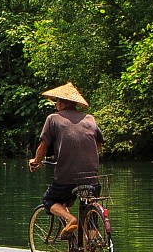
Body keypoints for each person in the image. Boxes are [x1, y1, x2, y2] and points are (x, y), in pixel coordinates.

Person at [27, 82, 101, 238]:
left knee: (49, 199)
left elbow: (43, 146)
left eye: (56, 102)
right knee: (91, 208)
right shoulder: (90, 119)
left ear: (60, 102)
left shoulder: (53, 119)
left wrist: (36, 161)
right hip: (92, 178)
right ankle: (93, 251)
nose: (55, 105)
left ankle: (69, 219)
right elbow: (99, 145)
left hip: (67, 177)